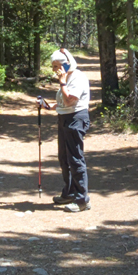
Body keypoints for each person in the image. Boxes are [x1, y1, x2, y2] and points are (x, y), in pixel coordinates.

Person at [41, 48, 91, 213]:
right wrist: (48, 106)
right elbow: (63, 102)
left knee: (75, 159)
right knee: (64, 158)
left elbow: (70, 102)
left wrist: (62, 81)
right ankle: (69, 193)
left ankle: (82, 199)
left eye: (58, 66)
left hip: (76, 119)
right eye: (53, 67)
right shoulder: (67, 77)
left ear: (67, 64)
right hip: (64, 118)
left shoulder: (77, 77)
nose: (56, 70)